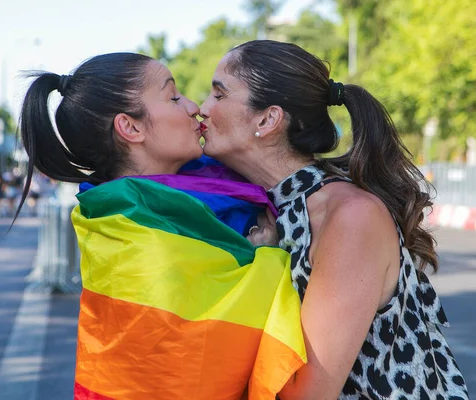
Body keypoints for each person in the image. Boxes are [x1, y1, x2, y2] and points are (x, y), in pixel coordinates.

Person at [16, 52, 306, 400]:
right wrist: (266, 259)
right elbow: (202, 352)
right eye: (172, 97)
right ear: (131, 127)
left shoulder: (205, 192)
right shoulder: (138, 234)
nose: (193, 107)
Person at [200, 40, 469, 399]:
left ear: (267, 120)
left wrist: (262, 266)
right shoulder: (269, 206)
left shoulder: (350, 216)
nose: (201, 108)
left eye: (218, 95)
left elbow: (305, 394)